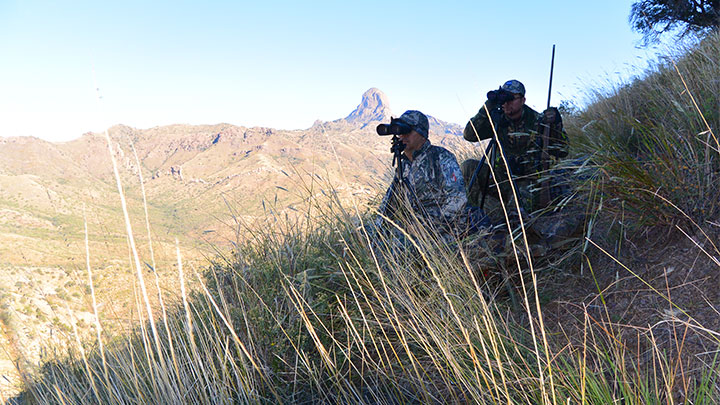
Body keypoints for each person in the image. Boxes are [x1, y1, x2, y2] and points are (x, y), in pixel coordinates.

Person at [461, 80, 568, 223]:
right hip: (500, 178)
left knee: (515, 214)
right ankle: (472, 215)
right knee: (468, 166)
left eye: (511, 99)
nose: (506, 103)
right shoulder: (498, 120)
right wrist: (488, 106)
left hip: (526, 181)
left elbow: (563, 150)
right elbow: (469, 135)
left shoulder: (537, 121)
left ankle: (511, 219)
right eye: (504, 99)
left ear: (523, 100)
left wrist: (556, 126)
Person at [373, 110, 477, 245]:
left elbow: (457, 200)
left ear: (422, 134)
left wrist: (427, 228)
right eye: (400, 132)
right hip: (415, 227)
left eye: (408, 131)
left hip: (448, 229)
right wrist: (376, 231)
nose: (402, 136)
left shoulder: (441, 157)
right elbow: (389, 204)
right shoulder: (403, 164)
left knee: (403, 248)